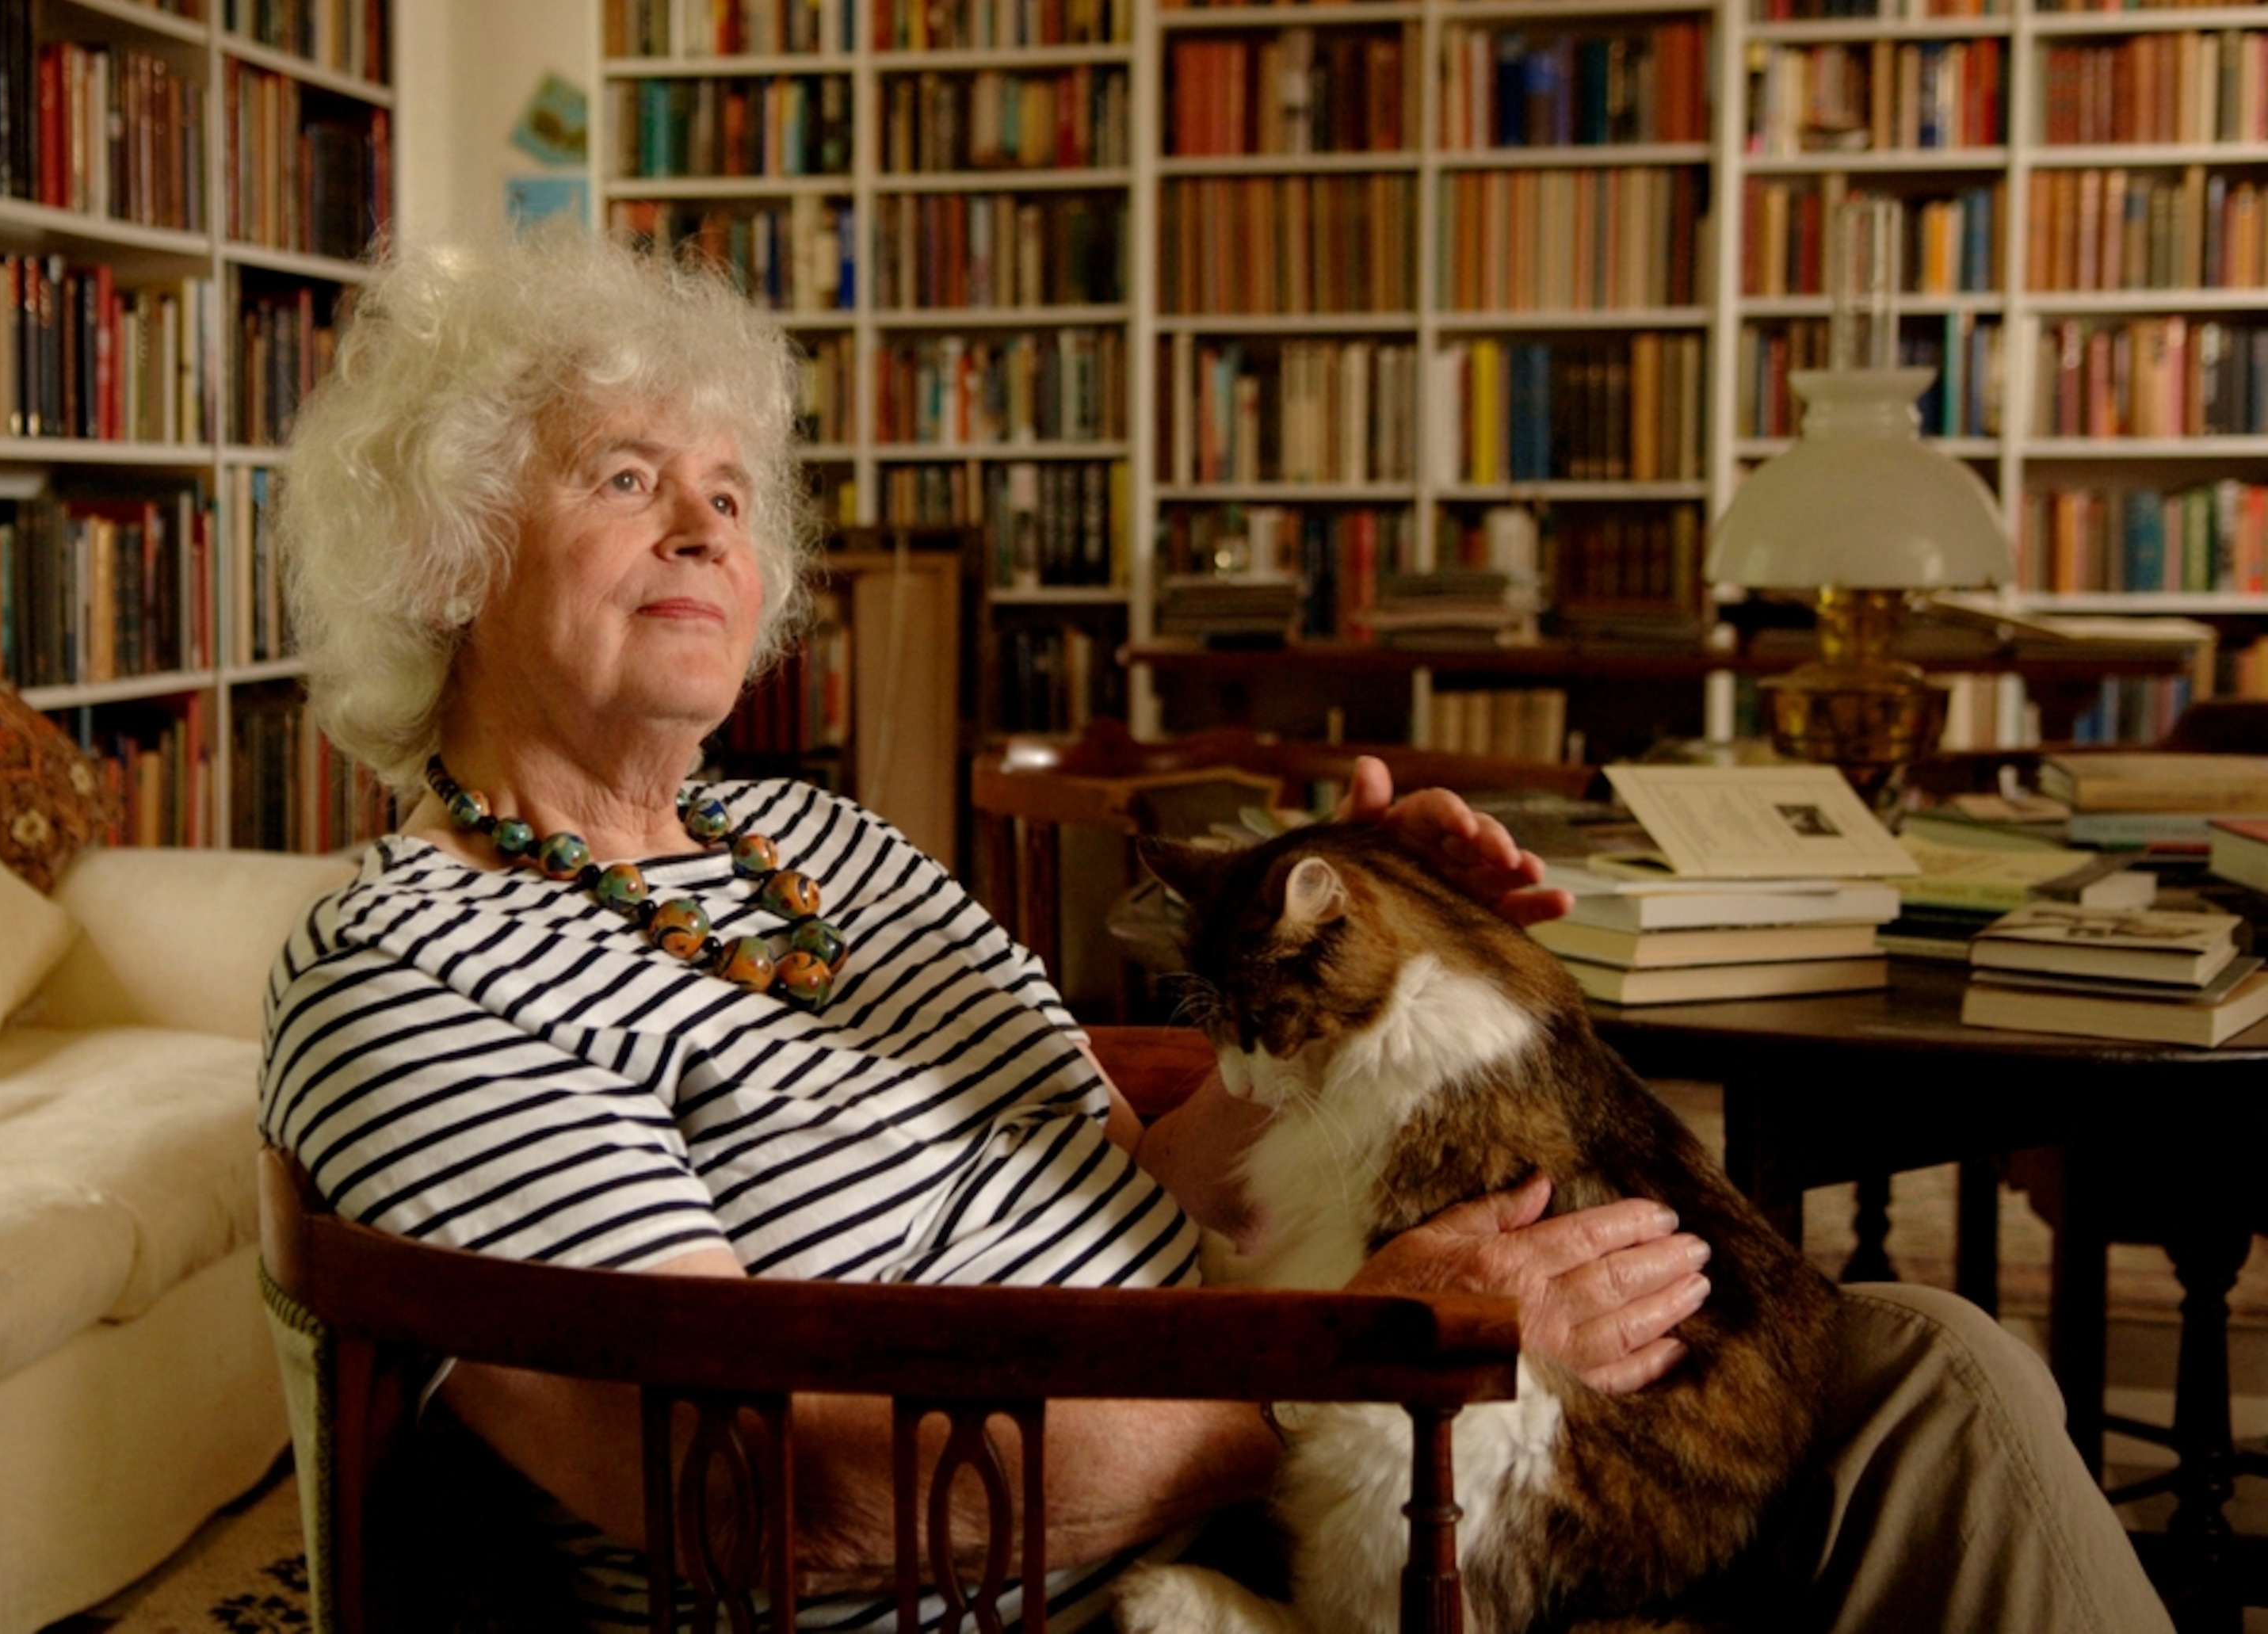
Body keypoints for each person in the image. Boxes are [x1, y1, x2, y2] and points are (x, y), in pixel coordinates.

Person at [258, 223, 2171, 1633]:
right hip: (1065, 1581)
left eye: (733, 493)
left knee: (1930, 1369)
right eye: (626, 478)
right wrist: (1354, 1362)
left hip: (1279, 1453)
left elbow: (1143, 1179)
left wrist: (1373, 979)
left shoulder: (826, 847)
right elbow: (771, 1495)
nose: (707, 531)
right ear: (446, 550)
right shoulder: (414, 970)